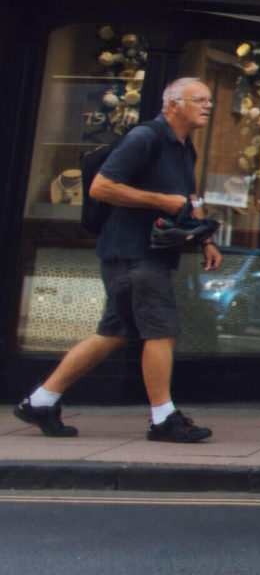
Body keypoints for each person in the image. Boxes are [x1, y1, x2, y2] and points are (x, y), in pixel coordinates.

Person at [14, 77, 222, 442]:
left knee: (113, 333)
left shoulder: (184, 147)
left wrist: (205, 238)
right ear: (173, 104)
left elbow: (188, 195)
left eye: (209, 100)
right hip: (131, 253)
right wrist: (159, 201)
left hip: (146, 254)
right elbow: (102, 187)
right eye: (199, 99)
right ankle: (162, 419)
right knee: (161, 330)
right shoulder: (145, 138)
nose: (208, 105)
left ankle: (40, 401)